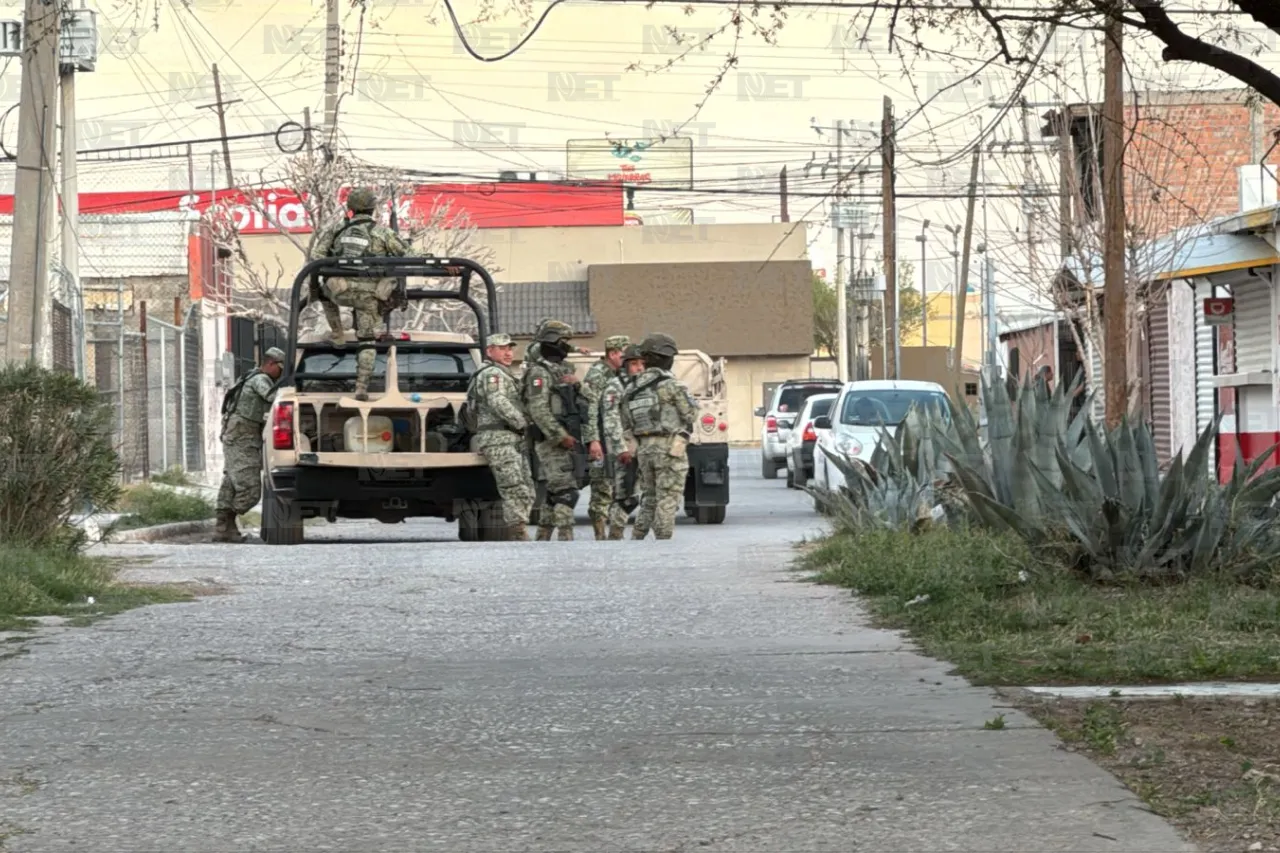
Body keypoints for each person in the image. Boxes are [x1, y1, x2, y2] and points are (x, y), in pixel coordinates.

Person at [309, 186, 409, 401]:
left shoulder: (336, 229)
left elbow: (316, 258)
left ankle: (337, 333)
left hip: (339, 291)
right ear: (373, 210)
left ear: (350, 209)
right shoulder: (383, 233)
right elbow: (409, 254)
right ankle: (361, 388)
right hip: (369, 297)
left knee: (323, 293)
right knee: (367, 341)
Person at [621, 333, 697, 541]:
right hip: (669, 448)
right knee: (668, 496)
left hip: (644, 448)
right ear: (666, 358)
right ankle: (663, 541)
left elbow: (626, 422)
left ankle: (638, 537)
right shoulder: (672, 385)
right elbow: (690, 414)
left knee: (649, 497)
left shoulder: (632, 388)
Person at [465, 332, 535, 541]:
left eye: (510, 348)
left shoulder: (503, 373)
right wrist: (523, 423)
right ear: (489, 351)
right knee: (513, 487)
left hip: (510, 438)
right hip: (498, 438)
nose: (508, 352)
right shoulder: (491, 374)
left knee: (525, 487)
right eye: (502, 348)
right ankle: (518, 533)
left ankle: (519, 528)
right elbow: (498, 401)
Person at [215, 347, 286, 543]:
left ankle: (224, 528)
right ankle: (227, 521)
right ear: (270, 364)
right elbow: (275, 398)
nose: (281, 373)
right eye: (280, 368)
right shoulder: (260, 380)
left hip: (237, 435)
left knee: (231, 481)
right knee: (251, 489)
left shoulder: (249, 376)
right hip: (242, 437)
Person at [522, 320, 584, 541]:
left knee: (554, 492)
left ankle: (543, 538)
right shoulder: (539, 372)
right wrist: (560, 436)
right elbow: (538, 409)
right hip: (551, 441)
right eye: (564, 341)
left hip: (565, 437)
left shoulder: (560, 370)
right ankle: (566, 539)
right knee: (566, 492)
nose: (567, 346)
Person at [582, 335, 634, 540]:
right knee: (601, 487)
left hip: (616, 437)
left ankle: (614, 532)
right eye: (623, 353)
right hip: (602, 438)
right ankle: (600, 533)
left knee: (620, 486)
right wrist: (593, 440)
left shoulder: (619, 374)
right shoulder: (597, 374)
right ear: (612, 354)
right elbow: (590, 409)